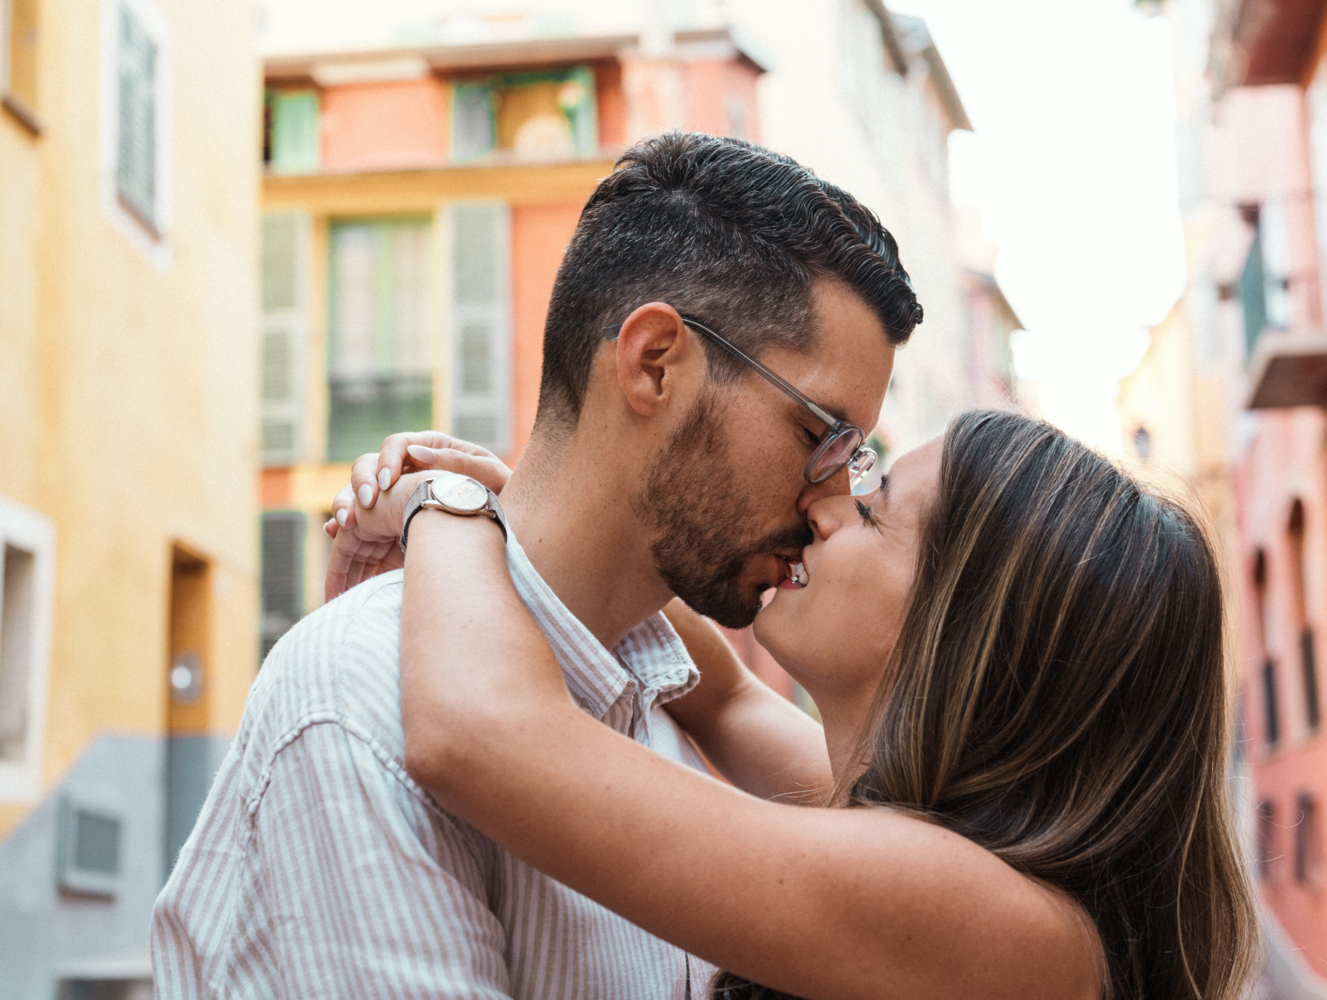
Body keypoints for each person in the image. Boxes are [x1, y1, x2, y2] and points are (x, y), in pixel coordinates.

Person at [150, 132, 922, 999]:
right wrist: (472, 510)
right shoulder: (359, 697)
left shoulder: (662, 719)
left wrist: (449, 505)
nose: (830, 499)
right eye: (822, 437)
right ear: (655, 363)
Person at [336, 409, 1261, 1000]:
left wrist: (443, 502)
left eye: (874, 503)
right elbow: (727, 699)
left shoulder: (988, 917)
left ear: (966, 628)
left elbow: (480, 736)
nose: (821, 502)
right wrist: (534, 506)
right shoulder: (941, 851)